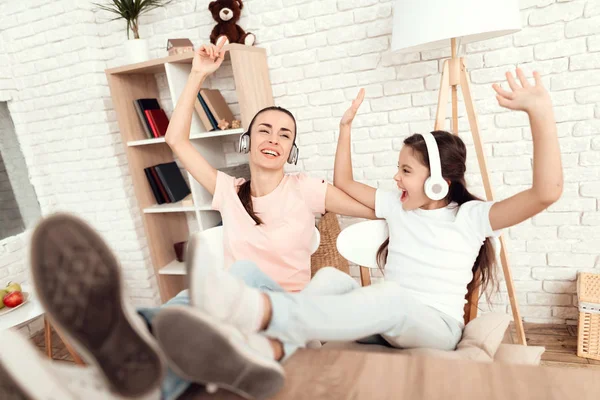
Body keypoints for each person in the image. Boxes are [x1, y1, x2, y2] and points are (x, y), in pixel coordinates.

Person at [0, 41, 375, 400]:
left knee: (219, 292)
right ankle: (116, 357)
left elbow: (371, 208)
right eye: (264, 129)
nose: (273, 139)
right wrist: (197, 73)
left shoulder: (306, 189)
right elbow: (175, 139)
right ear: (247, 140)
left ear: (290, 151)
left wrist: (346, 132)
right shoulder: (228, 189)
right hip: (221, 300)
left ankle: (97, 373)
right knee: (176, 310)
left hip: (275, 306)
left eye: (284, 134)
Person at [158, 68, 563, 393]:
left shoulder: (471, 217)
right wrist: (346, 129)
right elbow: (348, 183)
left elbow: (546, 193)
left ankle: (253, 314)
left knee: (388, 296)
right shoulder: (399, 206)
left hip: (435, 326)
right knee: (333, 279)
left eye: (405, 170)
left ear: (438, 181)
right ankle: (258, 346)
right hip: (385, 324)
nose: (395, 178)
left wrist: (539, 112)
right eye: (398, 169)